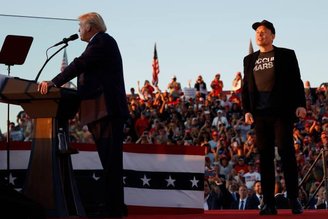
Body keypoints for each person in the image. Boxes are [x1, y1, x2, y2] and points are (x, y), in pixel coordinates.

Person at [38, 12, 129, 218]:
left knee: (111, 163)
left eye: (80, 26)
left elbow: (79, 64)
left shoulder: (103, 41)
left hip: (107, 111)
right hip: (100, 111)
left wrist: (55, 82)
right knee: (109, 163)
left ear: (90, 27)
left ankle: (114, 210)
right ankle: (114, 207)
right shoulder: (98, 43)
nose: (78, 30)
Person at [242, 19, 306, 215]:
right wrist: (247, 110)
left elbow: (297, 80)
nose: (260, 35)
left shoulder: (286, 54)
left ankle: (294, 199)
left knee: (286, 154)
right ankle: (268, 202)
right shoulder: (249, 59)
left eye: (264, 31)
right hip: (260, 115)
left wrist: (301, 105)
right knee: (265, 157)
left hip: (281, 113)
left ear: (273, 35)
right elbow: (246, 87)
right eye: (257, 32)